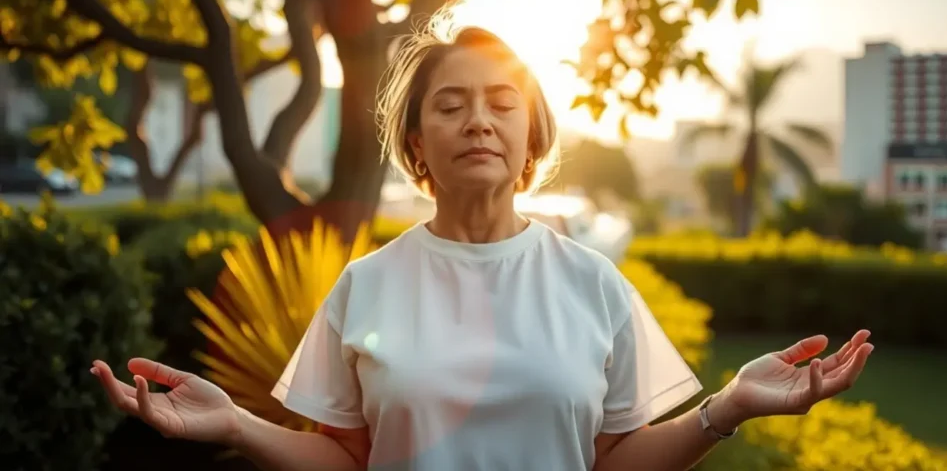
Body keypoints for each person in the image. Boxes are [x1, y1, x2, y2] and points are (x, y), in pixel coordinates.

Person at [90, 25, 873, 471]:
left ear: (531, 138)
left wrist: (728, 407)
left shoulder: (592, 283)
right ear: (416, 142)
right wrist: (235, 426)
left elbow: (611, 463)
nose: (479, 120)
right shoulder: (366, 285)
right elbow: (347, 463)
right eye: (452, 104)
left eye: (503, 104)